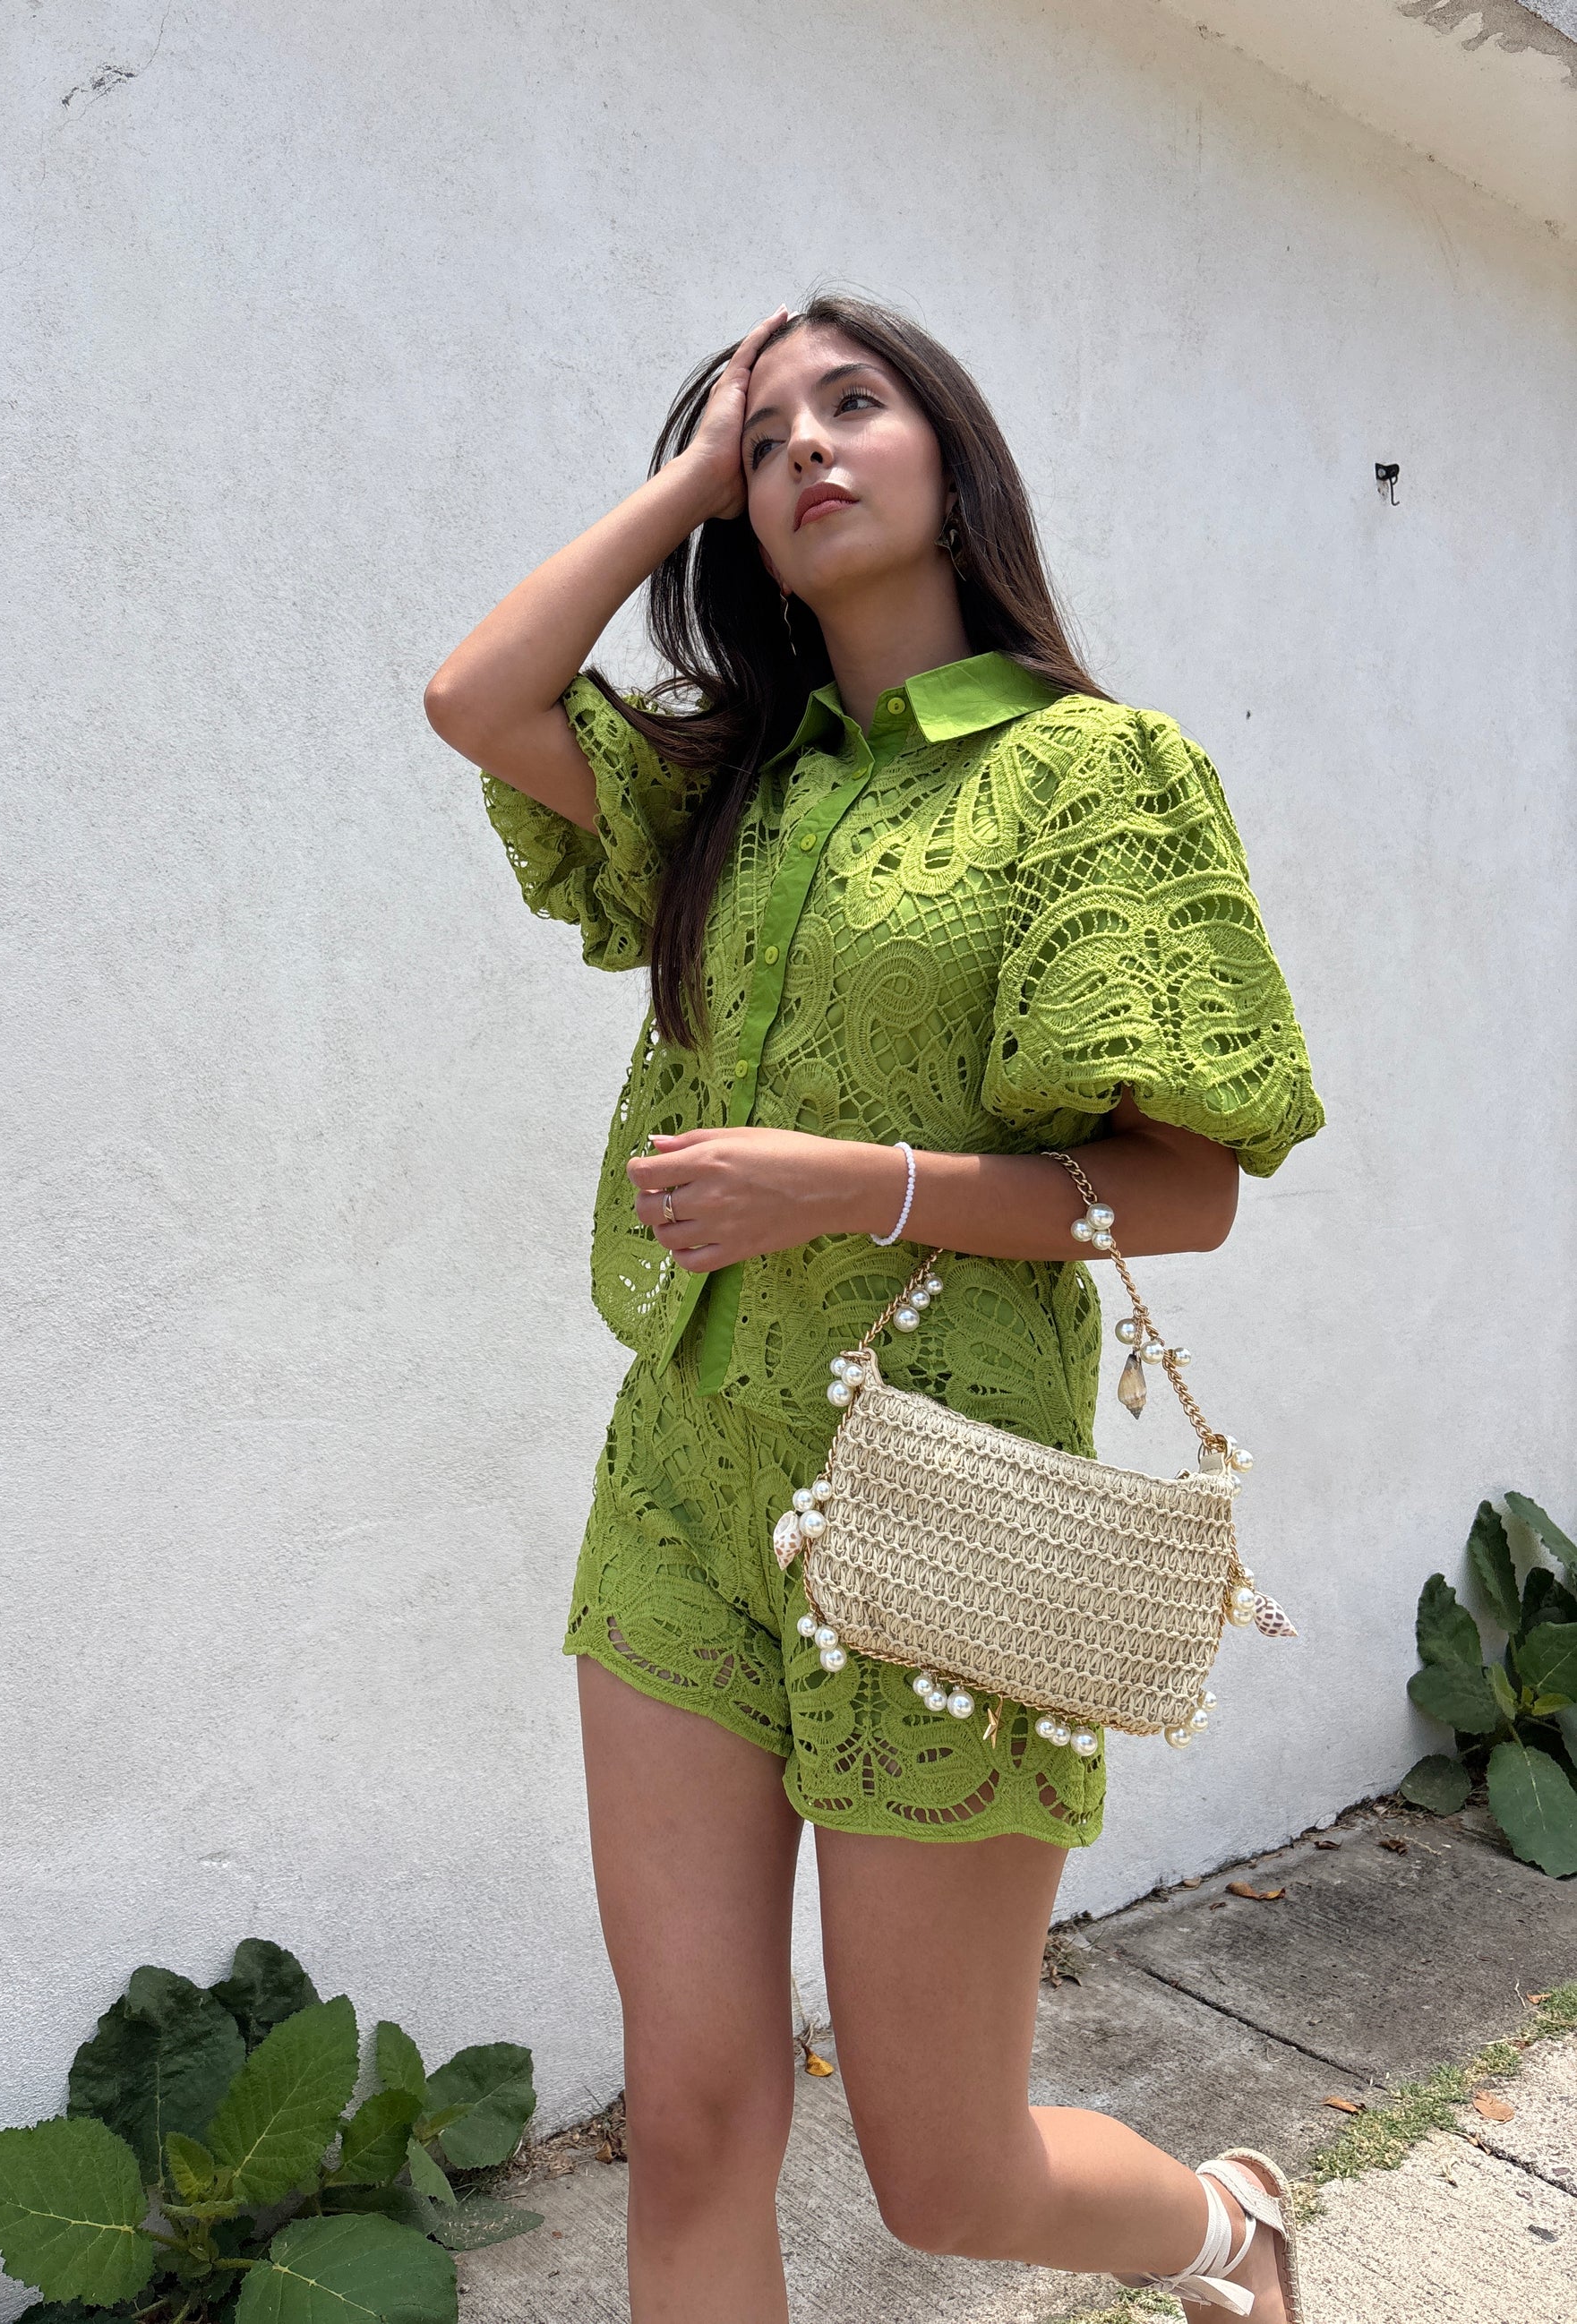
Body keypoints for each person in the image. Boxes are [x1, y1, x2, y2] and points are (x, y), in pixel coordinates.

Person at [425, 292, 1325, 2323]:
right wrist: (685, 480)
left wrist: (856, 1183)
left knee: (945, 2173)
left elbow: (1186, 1192)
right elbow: (479, 696)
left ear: (952, 453)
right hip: (680, 1493)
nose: (805, 448)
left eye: (852, 405)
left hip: (948, 1507)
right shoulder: (726, 787)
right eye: (764, 437)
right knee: (690, 2117)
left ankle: (1224, 2228)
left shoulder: (1096, 777)